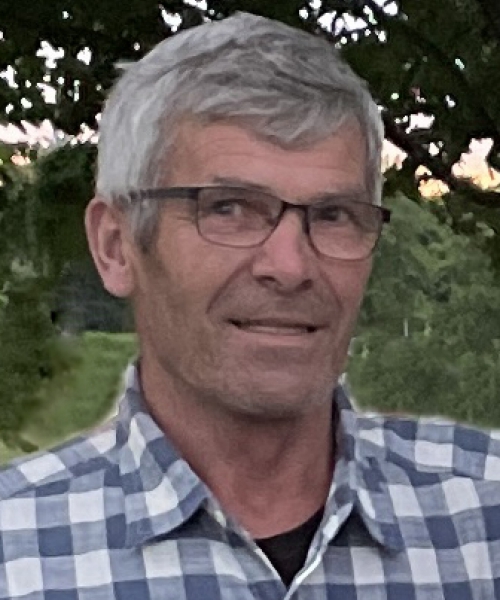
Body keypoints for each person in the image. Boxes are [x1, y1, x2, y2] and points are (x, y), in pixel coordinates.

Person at [1, 11, 499, 600]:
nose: (290, 266)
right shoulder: (17, 552)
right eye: (228, 208)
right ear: (116, 246)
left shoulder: (483, 514)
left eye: (333, 215)